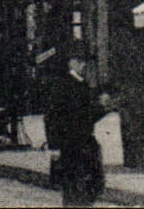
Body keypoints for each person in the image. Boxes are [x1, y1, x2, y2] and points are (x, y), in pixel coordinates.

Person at [43, 47, 113, 207]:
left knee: (87, 188)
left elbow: (86, 117)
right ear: (71, 63)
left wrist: (102, 108)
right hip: (70, 145)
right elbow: (52, 117)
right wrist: (54, 146)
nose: (84, 66)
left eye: (85, 62)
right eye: (80, 62)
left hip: (84, 143)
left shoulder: (81, 84)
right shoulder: (62, 85)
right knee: (74, 190)